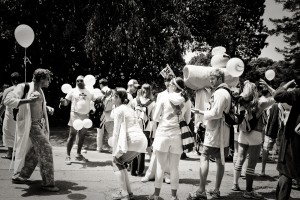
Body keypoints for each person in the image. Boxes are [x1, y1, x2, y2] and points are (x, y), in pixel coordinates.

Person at [4, 68, 59, 192]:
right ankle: (48, 183)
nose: (49, 82)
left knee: (35, 151)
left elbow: (36, 105)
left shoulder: (40, 90)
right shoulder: (24, 87)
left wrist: (47, 108)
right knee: (46, 149)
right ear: (42, 79)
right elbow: (8, 100)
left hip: (40, 125)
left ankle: (22, 175)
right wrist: (28, 100)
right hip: (31, 126)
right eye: (48, 79)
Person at [188, 69, 231, 199]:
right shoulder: (224, 92)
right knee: (220, 161)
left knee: (204, 156)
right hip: (221, 132)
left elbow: (216, 113)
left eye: (213, 78)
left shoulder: (220, 93)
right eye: (210, 78)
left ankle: (201, 190)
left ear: (219, 79)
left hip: (216, 132)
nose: (210, 81)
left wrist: (200, 112)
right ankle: (216, 190)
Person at [148, 77, 191, 200]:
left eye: (170, 84)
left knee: (160, 166)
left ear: (173, 86)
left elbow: (155, 118)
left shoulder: (164, 98)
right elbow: (187, 120)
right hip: (177, 136)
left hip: (162, 134)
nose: (168, 86)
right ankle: (173, 197)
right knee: (174, 168)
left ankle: (156, 196)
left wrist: (165, 118)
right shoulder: (187, 100)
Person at [232, 79, 275, 199]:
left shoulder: (240, 101)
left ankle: (235, 184)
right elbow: (277, 96)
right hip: (255, 134)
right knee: (251, 164)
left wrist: (244, 86)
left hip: (243, 132)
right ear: (255, 90)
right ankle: (249, 191)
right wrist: (268, 86)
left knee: (240, 159)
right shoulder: (261, 102)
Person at [111, 87, 147, 200]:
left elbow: (116, 132)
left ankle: (124, 194)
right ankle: (128, 193)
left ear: (117, 98)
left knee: (115, 161)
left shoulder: (118, 110)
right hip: (142, 141)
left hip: (133, 140)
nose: (111, 98)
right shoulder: (129, 108)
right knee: (120, 162)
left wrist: (114, 150)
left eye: (113, 96)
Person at [141, 74, 174, 183]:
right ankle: (151, 173)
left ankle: (167, 174)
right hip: (160, 126)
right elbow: (156, 114)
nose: (167, 83)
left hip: (173, 128)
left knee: (169, 152)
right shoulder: (161, 95)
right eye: (166, 80)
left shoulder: (179, 95)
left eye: (170, 80)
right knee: (156, 150)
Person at [60, 75, 98, 165]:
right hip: (74, 115)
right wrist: (63, 102)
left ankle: (78, 154)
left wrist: (104, 97)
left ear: (85, 81)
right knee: (72, 135)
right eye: (77, 81)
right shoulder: (72, 91)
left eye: (81, 80)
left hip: (85, 116)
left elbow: (96, 99)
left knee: (82, 136)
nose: (79, 82)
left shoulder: (89, 91)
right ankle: (68, 156)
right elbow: (66, 102)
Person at [273, 79, 300, 200]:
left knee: (286, 173)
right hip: (293, 137)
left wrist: (291, 82)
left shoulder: (298, 92)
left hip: (293, 140)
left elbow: (278, 94)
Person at [131, 83, 155, 176]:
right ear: (150, 91)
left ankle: (133, 171)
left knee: (134, 148)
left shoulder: (134, 100)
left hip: (135, 126)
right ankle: (140, 171)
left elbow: (131, 112)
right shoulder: (152, 103)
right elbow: (153, 117)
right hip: (146, 128)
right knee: (142, 149)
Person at [0, 72, 22, 159]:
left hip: (10, 115)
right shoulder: (26, 89)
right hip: (22, 115)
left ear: (11, 80)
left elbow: (3, 105)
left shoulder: (7, 90)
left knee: (9, 133)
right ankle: (21, 153)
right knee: (21, 134)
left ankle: (10, 153)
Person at [97, 78, 114, 152]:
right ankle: (112, 148)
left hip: (101, 115)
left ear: (101, 84)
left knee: (100, 133)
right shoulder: (112, 91)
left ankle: (99, 148)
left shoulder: (98, 91)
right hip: (110, 115)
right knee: (111, 133)